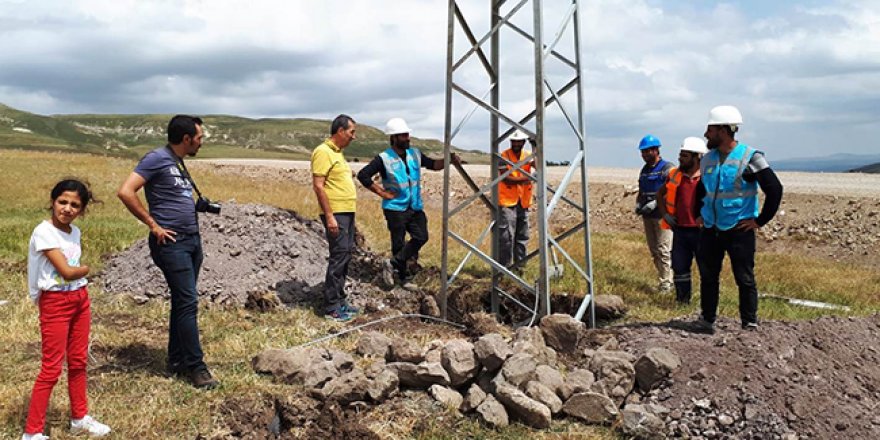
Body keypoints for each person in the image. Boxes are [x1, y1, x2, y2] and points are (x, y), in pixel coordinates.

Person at [117, 115, 219, 389]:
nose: (201, 142)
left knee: (182, 302)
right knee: (188, 302)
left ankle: (176, 360)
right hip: (171, 244)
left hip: (191, 242)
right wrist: (154, 225)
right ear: (186, 139)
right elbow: (126, 192)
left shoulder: (177, 161)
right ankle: (197, 368)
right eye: (199, 137)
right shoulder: (156, 158)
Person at [23, 180, 111, 440]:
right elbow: (67, 271)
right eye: (63, 202)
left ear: (82, 210)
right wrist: (86, 270)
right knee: (51, 368)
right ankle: (32, 432)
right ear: (52, 201)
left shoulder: (74, 232)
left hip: (79, 299)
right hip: (56, 302)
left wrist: (80, 277)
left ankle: (79, 418)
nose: (68, 208)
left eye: (75, 205)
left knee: (78, 360)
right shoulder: (44, 232)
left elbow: (72, 272)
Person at [693, 105, 783, 334]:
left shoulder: (750, 157)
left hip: (738, 229)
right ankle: (707, 319)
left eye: (710, 129)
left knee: (744, 278)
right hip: (711, 228)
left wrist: (759, 221)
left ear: (723, 130)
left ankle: (749, 323)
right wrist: (697, 215)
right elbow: (701, 190)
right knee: (708, 276)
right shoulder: (707, 160)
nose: (706, 134)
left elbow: (774, 188)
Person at [357, 117, 460, 289]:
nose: (407, 138)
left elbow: (434, 165)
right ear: (394, 137)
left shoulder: (415, 154)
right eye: (403, 135)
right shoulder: (383, 158)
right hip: (395, 208)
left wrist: (448, 159)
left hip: (415, 206)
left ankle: (392, 264)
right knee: (398, 243)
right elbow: (363, 175)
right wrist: (381, 192)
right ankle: (403, 278)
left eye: (407, 134)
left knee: (421, 236)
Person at [312, 114, 360, 322]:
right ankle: (331, 306)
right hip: (336, 213)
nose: (353, 137)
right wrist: (330, 216)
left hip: (347, 211)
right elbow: (318, 185)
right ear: (340, 131)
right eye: (351, 132)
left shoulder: (338, 154)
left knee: (346, 255)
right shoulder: (323, 152)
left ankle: (340, 301)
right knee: (339, 256)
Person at [657, 137, 708, 304]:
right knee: (679, 267)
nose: (680, 159)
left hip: (702, 231)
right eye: (680, 155)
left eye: (684, 155)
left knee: (706, 269)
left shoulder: (708, 177)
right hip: (680, 229)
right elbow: (660, 194)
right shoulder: (675, 175)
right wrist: (665, 214)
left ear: (697, 157)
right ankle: (682, 301)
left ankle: (707, 305)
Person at [635, 134, 675, 293]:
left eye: (647, 151)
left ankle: (667, 283)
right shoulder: (644, 171)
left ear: (656, 150)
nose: (644, 155)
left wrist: (656, 203)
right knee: (654, 250)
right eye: (642, 152)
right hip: (648, 215)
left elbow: (673, 189)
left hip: (662, 215)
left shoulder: (667, 168)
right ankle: (664, 278)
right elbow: (642, 189)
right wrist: (638, 204)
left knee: (664, 249)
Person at [497, 130, 535, 268]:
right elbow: (506, 178)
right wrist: (527, 178)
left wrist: (536, 148)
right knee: (507, 237)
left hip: (523, 202)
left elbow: (538, 166)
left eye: (519, 141)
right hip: (507, 202)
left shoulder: (528, 156)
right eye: (514, 141)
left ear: (524, 142)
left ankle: (520, 268)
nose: (516, 144)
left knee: (522, 237)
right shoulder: (504, 156)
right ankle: (504, 268)